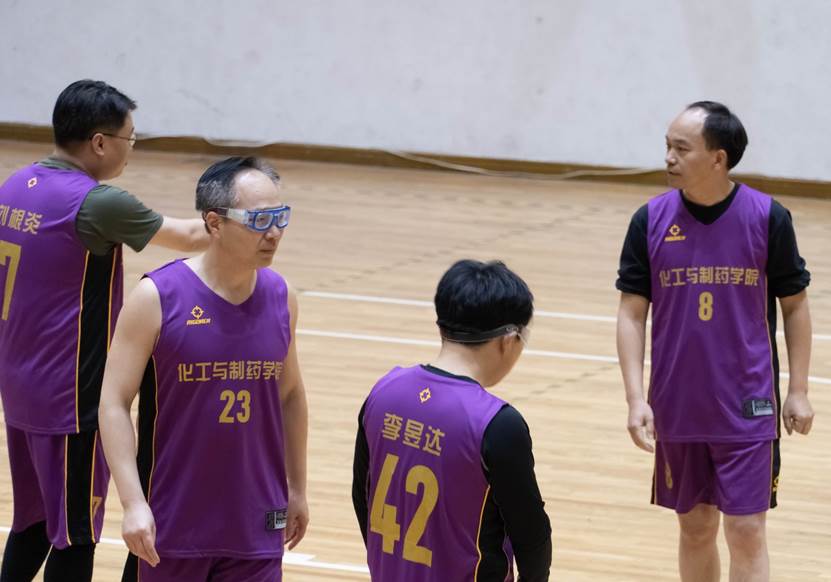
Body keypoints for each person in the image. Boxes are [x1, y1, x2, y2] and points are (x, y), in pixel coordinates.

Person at [0, 79, 209, 582]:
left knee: (33, 521)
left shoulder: (14, 186)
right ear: (99, 142)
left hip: (19, 388)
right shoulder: (96, 203)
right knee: (75, 536)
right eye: (129, 138)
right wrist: (249, 215)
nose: (131, 150)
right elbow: (190, 236)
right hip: (71, 398)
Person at [616, 101, 814, 582]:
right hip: (678, 404)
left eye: (681, 148)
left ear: (718, 158)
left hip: (748, 405)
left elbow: (794, 305)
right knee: (696, 527)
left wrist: (799, 390)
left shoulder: (768, 217)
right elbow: (631, 313)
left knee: (746, 531)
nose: (668, 157)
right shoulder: (649, 220)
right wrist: (636, 398)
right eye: (667, 146)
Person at [98, 156, 309, 582]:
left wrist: (297, 487)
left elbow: (290, 395)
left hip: (257, 522)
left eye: (280, 217)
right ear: (214, 223)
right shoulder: (157, 298)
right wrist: (132, 503)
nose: (273, 233)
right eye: (259, 220)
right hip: (172, 524)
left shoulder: (281, 296)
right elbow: (113, 402)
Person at [352, 259, 552, 582]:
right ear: (508, 339)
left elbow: (363, 494)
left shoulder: (383, 391)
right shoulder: (497, 424)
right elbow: (531, 536)